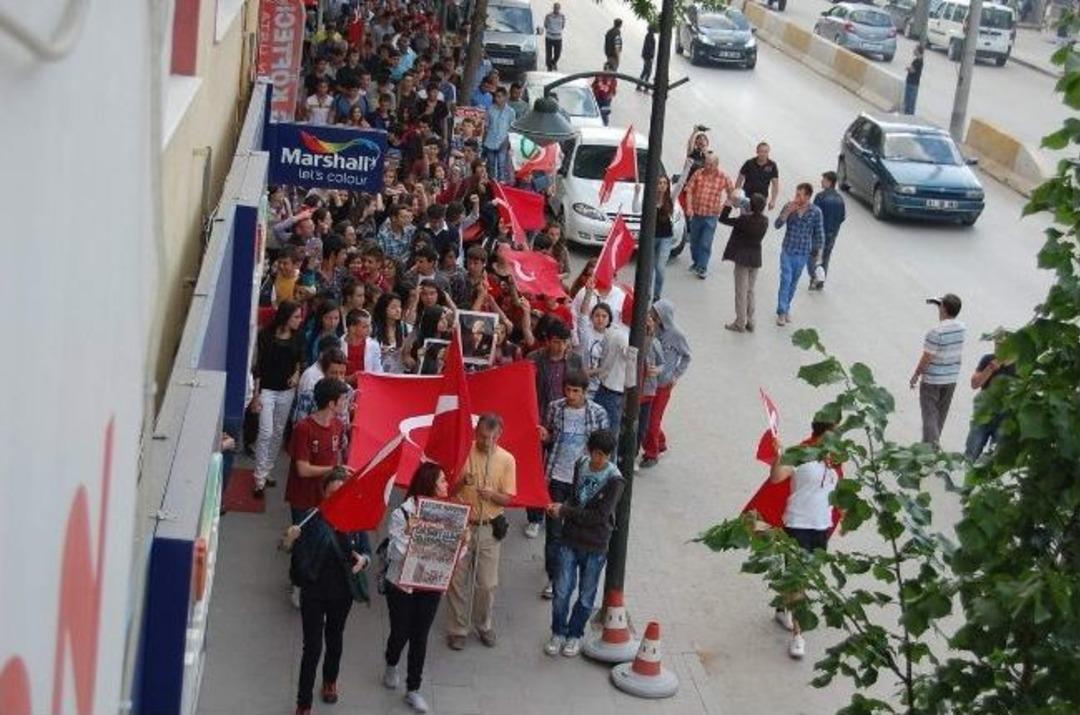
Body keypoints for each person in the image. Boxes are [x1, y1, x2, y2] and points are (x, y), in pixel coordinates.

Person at [285, 469, 369, 715]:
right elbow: (290, 548)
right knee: (311, 647)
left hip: (342, 593)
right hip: (314, 591)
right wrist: (290, 540)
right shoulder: (310, 518)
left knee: (335, 638)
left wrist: (363, 560)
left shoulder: (355, 520)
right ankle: (303, 703)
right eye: (333, 492)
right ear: (324, 493)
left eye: (342, 491)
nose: (338, 496)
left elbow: (366, 552)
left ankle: (330, 680)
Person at [544, 429, 625, 657]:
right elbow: (573, 494)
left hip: (595, 545)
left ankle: (575, 634)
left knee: (586, 595)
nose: (599, 460)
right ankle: (558, 631)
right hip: (570, 539)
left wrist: (564, 511)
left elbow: (600, 516)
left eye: (604, 456)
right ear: (590, 451)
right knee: (561, 591)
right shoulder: (581, 464)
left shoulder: (615, 480)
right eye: (596, 454)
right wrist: (563, 507)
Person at [382, 463, 456, 713]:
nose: (447, 484)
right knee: (400, 632)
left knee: (420, 636)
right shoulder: (402, 513)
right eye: (443, 480)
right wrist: (421, 538)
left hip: (430, 585)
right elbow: (397, 549)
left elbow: (453, 554)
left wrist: (461, 542)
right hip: (401, 584)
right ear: (429, 484)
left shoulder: (450, 514)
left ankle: (413, 688)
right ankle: (391, 663)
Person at [767, 421, 841, 660]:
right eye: (834, 432)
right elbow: (777, 478)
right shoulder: (800, 454)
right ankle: (798, 636)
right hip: (798, 525)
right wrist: (780, 454)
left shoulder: (834, 459)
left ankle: (782, 607)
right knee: (799, 583)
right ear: (821, 434)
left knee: (805, 579)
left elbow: (837, 491)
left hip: (821, 528)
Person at [446, 414, 517, 650]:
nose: (486, 442)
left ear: (499, 436)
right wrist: (461, 483)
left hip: (489, 525)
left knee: (487, 583)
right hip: (462, 523)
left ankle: (483, 623)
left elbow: (507, 498)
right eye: (482, 436)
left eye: (491, 438)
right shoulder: (464, 452)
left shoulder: (507, 460)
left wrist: (492, 495)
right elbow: (447, 488)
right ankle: (458, 628)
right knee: (457, 580)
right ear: (476, 433)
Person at [538, 371, 609, 598]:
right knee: (554, 532)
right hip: (557, 476)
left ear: (585, 392)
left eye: (576, 391)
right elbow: (549, 437)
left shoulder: (597, 413)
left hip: (583, 481)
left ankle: (569, 571)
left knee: (577, 529)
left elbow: (605, 447)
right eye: (567, 390)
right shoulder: (555, 408)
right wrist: (544, 436)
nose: (570, 395)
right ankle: (554, 577)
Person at [525, 320, 584, 538]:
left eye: (564, 343)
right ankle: (535, 517)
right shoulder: (534, 359)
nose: (560, 347)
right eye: (557, 342)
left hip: (566, 421)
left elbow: (581, 387)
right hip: (540, 421)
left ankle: (556, 510)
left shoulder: (575, 360)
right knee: (536, 469)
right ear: (548, 341)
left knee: (559, 470)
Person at [250, 301, 304, 497]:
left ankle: (266, 469)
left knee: (277, 432)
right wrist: (255, 396)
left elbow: (300, 359)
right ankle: (259, 478)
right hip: (267, 390)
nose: (300, 320)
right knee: (266, 432)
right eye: (296, 317)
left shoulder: (298, 337)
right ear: (286, 317)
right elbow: (258, 367)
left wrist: (297, 374)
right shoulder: (265, 336)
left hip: (286, 391)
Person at [910, 294, 966, 447]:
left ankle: (932, 448)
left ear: (943, 308)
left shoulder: (935, 332)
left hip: (933, 380)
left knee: (929, 415)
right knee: (940, 416)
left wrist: (916, 375)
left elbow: (927, 357)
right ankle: (928, 448)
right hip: (951, 379)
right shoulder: (962, 328)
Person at [640, 299, 691, 468]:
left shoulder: (677, 335)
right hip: (649, 382)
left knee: (653, 420)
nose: (652, 317)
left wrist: (676, 375)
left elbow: (687, 356)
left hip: (664, 385)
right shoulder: (652, 331)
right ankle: (659, 441)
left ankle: (651, 453)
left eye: (655, 315)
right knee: (648, 419)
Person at [773, 183, 825, 326]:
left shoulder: (816, 212)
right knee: (785, 280)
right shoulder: (789, 206)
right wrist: (787, 213)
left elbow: (819, 235)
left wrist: (819, 256)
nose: (796, 197)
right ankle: (781, 312)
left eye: (800, 195)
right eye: (796, 194)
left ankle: (787, 306)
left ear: (808, 196)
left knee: (793, 283)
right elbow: (777, 225)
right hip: (787, 250)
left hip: (802, 253)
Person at [720, 193, 769, 333]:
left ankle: (740, 322)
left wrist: (728, 205)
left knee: (740, 291)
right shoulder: (765, 221)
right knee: (750, 291)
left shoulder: (743, 220)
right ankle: (751, 320)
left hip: (742, 257)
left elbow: (723, 219)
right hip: (756, 258)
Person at [964, 334, 1015, 461]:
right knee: (972, 449)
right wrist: (990, 368)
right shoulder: (988, 359)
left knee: (995, 456)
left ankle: (984, 479)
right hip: (983, 412)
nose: (997, 348)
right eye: (996, 344)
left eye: (1002, 345)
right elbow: (975, 384)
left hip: (1005, 417)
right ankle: (965, 478)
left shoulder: (1020, 367)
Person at [684, 153, 733, 279]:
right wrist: (689, 207)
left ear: (716, 165)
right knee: (694, 241)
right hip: (696, 214)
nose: (708, 166)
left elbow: (731, 193)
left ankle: (702, 267)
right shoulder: (698, 173)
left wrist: (724, 206)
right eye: (706, 163)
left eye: (711, 164)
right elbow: (689, 190)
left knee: (705, 242)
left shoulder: (723, 177)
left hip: (711, 216)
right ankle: (696, 262)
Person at [810, 171, 846, 290]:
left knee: (815, 256)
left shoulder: (821, 197)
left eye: (824, 180)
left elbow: (813, 214)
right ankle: (821, 281)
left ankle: (814, 279)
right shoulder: (840, 199)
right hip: (832, 233)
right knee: (826, 257)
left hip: (819, 233)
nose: (821, 181)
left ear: (829, 182)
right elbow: (842, 217)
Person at [483, 87, 516, 184]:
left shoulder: (511, 112)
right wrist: (484, 141)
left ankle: (502, 184)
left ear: (505, 97)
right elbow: (486, 126)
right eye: (496, 96)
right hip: (490, 141)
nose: (497, 99)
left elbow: (512, 128)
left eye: (500, 96)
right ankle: (492, 184)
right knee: (491, 164)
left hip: (503, 141)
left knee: (502, 164)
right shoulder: (490, 109)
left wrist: (508, 141)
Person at [736, 142, 781, 212]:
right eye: (761, 151)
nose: (763, 154)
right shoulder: (749, 163)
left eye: (766, 152)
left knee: (757, 220)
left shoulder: (772, 165)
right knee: (745, 219)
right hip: (747, 197)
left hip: (761, 199)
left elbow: (775, 185)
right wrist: (737, 195)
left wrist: (773, 200)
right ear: (757, 152)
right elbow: (739, 179)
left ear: (768, 152)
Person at [653, 175, 677, 299]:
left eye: (664, 183)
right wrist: (636, 193)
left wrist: (688, 164)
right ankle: (648, 293)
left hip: (665, 238)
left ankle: (657, 294)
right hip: (651, 238)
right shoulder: (649, 198)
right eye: (659, 183)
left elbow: (681, 183)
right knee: (650, 268)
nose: (662, 185)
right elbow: (636, 208)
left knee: (660, 267)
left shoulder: (670, 198)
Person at [544, 2, 566, 71]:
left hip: (558, 37)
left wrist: (557, 30)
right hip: (549, 37)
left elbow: (563, 26)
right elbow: (545, 25)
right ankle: (549, 67)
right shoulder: (548, 16)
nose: (556, 9)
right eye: (555, 8)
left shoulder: (562, 16)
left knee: (558, 54)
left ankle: (553, 62)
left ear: (559, 9)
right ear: (553, 8)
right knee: (549, 54)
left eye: (557, 8)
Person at [904, 45, 924, 115]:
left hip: (912, 84)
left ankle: (908, 118)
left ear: (918, 51)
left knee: (910, 104)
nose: (914, 51)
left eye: (915, 49)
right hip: (911, 83)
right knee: (908, 103)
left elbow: (912, 70)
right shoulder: (917, 60)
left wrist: (908, 68)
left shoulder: (918, 61)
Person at [639, 25, 657, 90]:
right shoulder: (650, 37)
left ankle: (640, 85)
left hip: (646, 56)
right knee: (648, 72)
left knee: (645, 71)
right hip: (648, 57)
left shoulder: (648, 35)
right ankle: (645, 86)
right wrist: (651, 56)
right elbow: (650, 47)